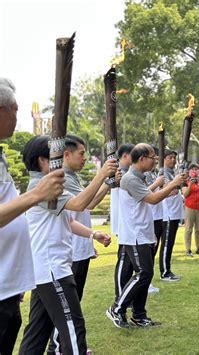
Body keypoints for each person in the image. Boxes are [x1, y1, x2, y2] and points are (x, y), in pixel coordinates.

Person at [19, 135, 115, 355]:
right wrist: (102, 173)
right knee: (72, 327)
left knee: (37, 331)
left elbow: (68, 220)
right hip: (53, 270)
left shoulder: (44, 186)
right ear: (43, 160)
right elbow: (81, 204)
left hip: (46, 270)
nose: (61, 161)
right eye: (57, 156)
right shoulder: (44, 187)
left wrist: (93, 234)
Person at [0, 78, 64, 354]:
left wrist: (17, 278)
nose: (18, 113)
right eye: (14, 108)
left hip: (7, 287)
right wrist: (36, 194)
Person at [48, 135, 119, 353]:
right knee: (68, 308)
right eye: (82, 153)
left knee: (73, 303)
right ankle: (60, 347)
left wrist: (107, 182)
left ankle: (67, 346)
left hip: (79, 247)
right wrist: (102, 175)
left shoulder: (72, 177)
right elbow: (80, 204)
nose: (85, 158)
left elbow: (90, 202)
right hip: (69, 250)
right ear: (66, 154)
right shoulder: (62, 177)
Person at [106, 144, 185, 329]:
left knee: (145, 276)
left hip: (143, 233)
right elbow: (152, 199)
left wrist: (165, 190)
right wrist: (172, 184)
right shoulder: (130, 179)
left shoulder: (137, 178)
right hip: (135, 235)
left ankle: (139, 315)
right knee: (144, 273)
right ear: (141, 159)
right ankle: (117, 308)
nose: (155, 161)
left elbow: (147, 198)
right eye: (153, 157)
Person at [111, 144, 136, 301]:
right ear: (126, 156)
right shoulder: (117, 173)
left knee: (129, 262)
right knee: (123, 260)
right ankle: (120, 295)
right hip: (122, 221)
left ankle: (126, 293)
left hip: (129, 221)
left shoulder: (127, 173)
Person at [159, 149, 185, 282]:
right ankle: (164, 272)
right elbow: (169, 190)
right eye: (170, 157)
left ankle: (167, 269)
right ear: (163, 159)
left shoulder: (173, 173)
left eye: (174, 158)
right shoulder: (162, 173)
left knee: (170, 243)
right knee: (166, 244)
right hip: (167, 213)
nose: (173, 160)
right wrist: (174, 186)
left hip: (174, 213)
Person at [144, 146, 165, 294]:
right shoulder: (142, 175)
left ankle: (148, 281)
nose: (156, 160)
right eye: (153, 157)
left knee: (154, 250)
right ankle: (146, 283)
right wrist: (158, 184)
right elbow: (146, 193)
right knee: (148, 252)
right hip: (149, 216)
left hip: (158, 215)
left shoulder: (154, 173)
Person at [182, 162, 199, 256]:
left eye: (196, 169)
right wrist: (190, 184)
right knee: (188, 229)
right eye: (192, 169)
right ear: (189, 171)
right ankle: (188, 249)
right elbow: (185, 194)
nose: (194, 171)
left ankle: (198, 248)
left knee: (198, 229)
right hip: (190, 207)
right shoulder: (185, 181)